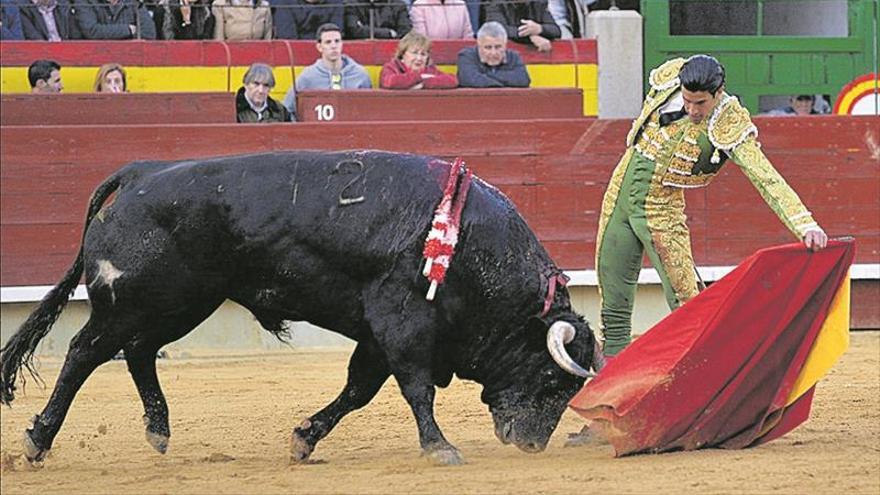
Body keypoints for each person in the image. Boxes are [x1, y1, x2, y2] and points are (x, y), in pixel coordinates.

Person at [594, 55, 828, 359]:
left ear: (719, 93)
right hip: (619, 195)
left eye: (700, 104)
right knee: (612, 295)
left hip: (661, 209)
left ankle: (708, 372)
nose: (692, 110)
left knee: (688, 301)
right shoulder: (669, 78)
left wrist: (805, 223)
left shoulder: (729, 121)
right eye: (687, 101)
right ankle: (611, 376)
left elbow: (766, 177)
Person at [282, 23, 372, 115]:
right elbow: (287, 109)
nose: (333, 46)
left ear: (342, 44)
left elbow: (369, 110)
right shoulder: (307, 77)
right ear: (319, 47)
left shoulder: (360, 75)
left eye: (337, 41)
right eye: (328, 42)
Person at [456, 21, 530, 88]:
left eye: (498, 47)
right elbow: (469, 79)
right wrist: (505, 83)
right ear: (479, 45)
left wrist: (486, 75)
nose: (493, 52)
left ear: (505, 45)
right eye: (488, 47)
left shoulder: (514, 57)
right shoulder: (466, 56)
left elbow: (523, 80)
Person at [379, 31, 457, 89]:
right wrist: (420, 77)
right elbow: (390, 82)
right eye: (414, 53)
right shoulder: (391, 67)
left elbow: (452, 80)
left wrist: (424, 84)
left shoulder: (429, 69)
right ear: (403, 54)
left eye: (423, 54)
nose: (419, 58)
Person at [482, 0, 559, 52]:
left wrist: (540, 29)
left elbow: (556, 31)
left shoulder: (538, 2)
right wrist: (530, 37)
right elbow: (498, 29)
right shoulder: (494, 3)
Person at [75, 0, 156, 39]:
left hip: (129, 56)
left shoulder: (134, 2)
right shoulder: (85, 2)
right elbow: (92, 31)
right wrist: (128, 30)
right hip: (95, 59)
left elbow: (149, 33)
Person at [272, 0, 343, 39]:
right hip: (296, 54)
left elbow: (335, 34)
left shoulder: (336, 2)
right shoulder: (285, 3)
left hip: (327, 51)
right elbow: (288, 37)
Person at [342, 0, 410, 39]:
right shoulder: (351, 4)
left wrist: (365, 30)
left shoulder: (398, 4)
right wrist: (389, 33)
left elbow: (404, 32)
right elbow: (354, 31)